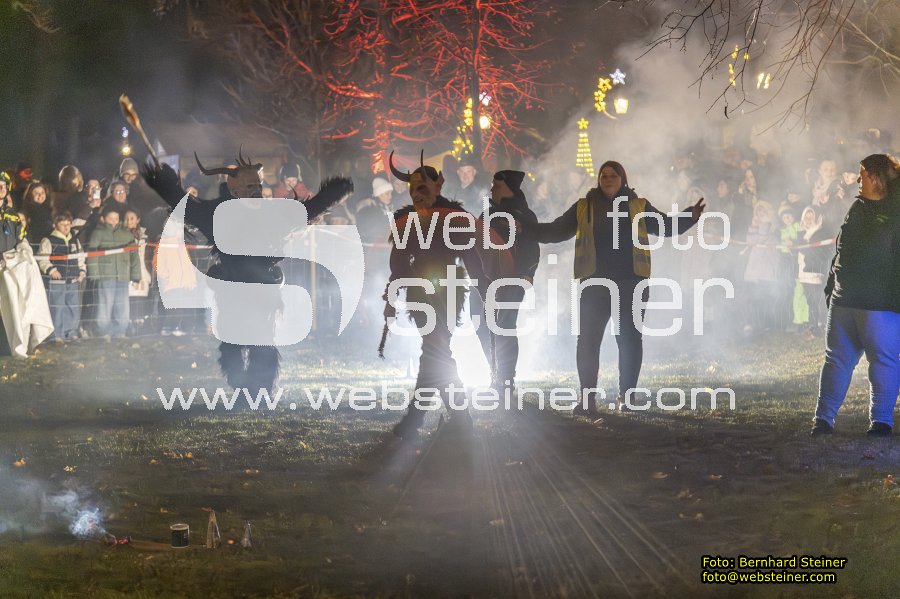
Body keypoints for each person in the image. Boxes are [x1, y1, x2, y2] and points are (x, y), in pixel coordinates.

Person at [143, 151, 351, 393]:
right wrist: (165, 183)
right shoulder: (215, 214)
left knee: (262, 340)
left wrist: (332, 193)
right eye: (249, 187)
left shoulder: (270, 213)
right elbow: (186, 207)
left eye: (258, 187)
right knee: (232, 341)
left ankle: (260, 388)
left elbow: (306, 212)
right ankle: (239, 383)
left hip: (262, 289)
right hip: (232, 289)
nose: (256, 192)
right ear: (235, 191)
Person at [525, 161, 704, 414]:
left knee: (629, 340)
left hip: (631, 283)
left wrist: (689, 216)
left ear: (623, 179)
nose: (607, 179)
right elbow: (556, 231)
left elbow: (664, 226)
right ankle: (587, 400)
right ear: (598, 180)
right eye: (604, 175)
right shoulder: (584, 206)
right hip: (594, 284)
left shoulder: (639, 205)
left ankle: (627, 398)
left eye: (613, 175)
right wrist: (525, 230)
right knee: (588, 341)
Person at [382, 152, 486, 438]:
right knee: (435, 349)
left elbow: (469, 253)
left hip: (450, 288)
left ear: (437, 187)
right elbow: (398, 262)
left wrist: (483, 286)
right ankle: (453, 417)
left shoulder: (453, 216)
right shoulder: (406, 220)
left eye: (423, 188)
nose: (417, 194)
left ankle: (424, 419)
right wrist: (392, 295)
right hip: (419, 290)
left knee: (435, 350)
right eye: (413, 189)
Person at [810, 154, 900, 437]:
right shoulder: (857, 207)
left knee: (882, 361)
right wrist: (831, 286)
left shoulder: (896, 211)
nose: (858, 179)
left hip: (881, 304)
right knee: (837, 360)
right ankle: (823, 419)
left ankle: (881, 421)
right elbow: (841, 250)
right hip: (845, 300)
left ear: (876, 177)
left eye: (863, 174)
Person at [471, 170, 540, 394]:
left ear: (510, 188)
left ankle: (506, 379)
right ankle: (495, 375)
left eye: (497, 186)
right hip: (485, 281)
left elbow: (531, 248)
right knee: (483, 326)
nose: (492, 189)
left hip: (513, 279)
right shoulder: (487, 215)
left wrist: (527, 274)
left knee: (505, 326)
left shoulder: (525, 216)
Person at [0, 198, 53, 356]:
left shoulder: (11, 215)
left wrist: (22, 251)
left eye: (3, 187)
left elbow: (20, 239)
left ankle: (11, 347)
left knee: (16, 308)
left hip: (9, 270)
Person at [85, 206, 142, 338]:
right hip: (105, 275)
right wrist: (94, 274)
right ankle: (104, 331)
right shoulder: (98, 233)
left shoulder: (126, 234)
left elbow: (134, 256)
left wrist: (135, 275)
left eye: (116, 218)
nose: (114, 221)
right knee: (104, 304)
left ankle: (120, 331)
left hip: (122, 275)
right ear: (103, 219)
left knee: (122, 304)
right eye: (110, 218)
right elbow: (92, 255)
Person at [36, 212, 86, 341]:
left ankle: (72, 333)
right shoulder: (48, 240)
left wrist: (82, 271)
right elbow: (42, 259)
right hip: (57, 281)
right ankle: (57, 335)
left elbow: (80, 257)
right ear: (55, 225)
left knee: (73, 307)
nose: (66, 227)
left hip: (73, 279)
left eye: (68, 224)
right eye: (62, 224)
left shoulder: (75, 240)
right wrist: (51, 270)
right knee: (57, 308)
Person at [21, 182, 54, 252]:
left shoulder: (50, 208)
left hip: (48, 241)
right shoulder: (28, 210)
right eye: (36, 193)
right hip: (34, 241)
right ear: (30, 195)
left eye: (42, 192)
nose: (40, 195)